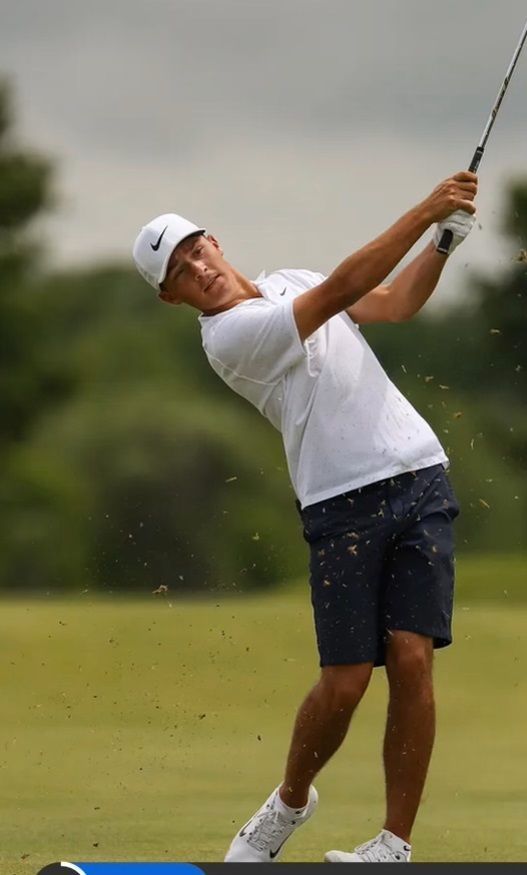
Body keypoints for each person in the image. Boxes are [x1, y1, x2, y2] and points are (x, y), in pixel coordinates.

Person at [132, 171, 477, 863]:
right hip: (339, 504)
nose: (197, 268)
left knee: (411, 659)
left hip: (417, 475)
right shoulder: (228, 337)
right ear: (173, 297)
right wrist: (425, 210)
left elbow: (393, 302)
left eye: (195, 249)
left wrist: (441, 242)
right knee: (346, 680)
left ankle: (393, 843)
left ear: (214, 242)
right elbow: (342, 291)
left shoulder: (286, 277)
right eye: (178, 271)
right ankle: (290, 799)